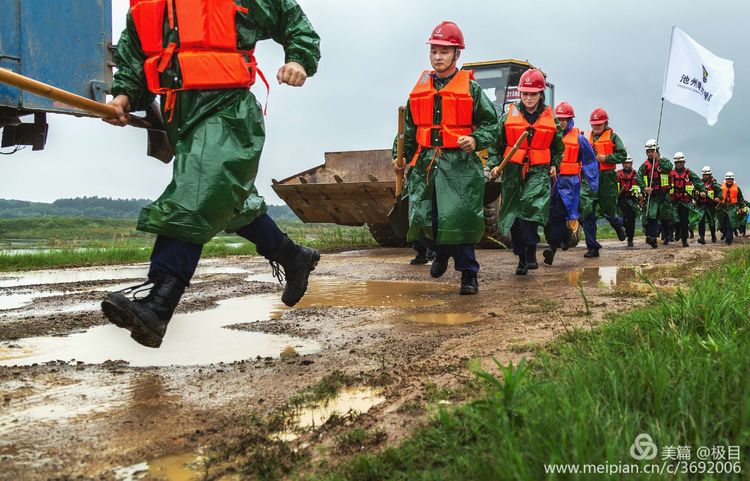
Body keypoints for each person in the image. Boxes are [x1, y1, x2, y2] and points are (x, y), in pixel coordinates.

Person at [101, 0, 321, 348]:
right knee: (229, 202)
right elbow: (132, 60)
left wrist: (298, 59)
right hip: (181, 116)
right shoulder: (145, 6)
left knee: (197, 194)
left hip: (228, 111)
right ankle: (294, 257)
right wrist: (123, 97)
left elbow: (292, 21)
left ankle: (159, 302)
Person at [393, 21, 499, 294]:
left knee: (460, 220)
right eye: (434, 51)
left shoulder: (472, 90)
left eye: (444, 51)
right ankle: (440, 252)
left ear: (456, 55)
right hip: (427, 164)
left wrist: (475, 140)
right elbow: (408, 128)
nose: (438, 56)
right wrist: (399, 156)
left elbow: (492, 124)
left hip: (459, 165)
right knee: (421, 219)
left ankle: (468, 275)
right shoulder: (419, 89)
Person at [490, 69, 564, 275]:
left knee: (529, 209)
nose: (529, 98)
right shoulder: (507, 117)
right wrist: (495, 164)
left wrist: (554, 164)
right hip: (513, 171)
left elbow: (558, 147)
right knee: (513, 215)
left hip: (538, 171)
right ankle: (521, 258)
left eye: (533, 94)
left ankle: (531, 250)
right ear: (520, 94)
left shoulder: (552, 120)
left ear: (541, 94)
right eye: (525, 93)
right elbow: (496, 145)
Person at [543, 102, 598, 265]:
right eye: (557, 119)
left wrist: (592, 184)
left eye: (563, 120)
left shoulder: (579, 139)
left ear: (570, 120)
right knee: (552, 216)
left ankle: (558, 246)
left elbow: (589, 162)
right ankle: (557, 244)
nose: (560, 123)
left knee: (567, 215)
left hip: (571, 184)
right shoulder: (550, 136)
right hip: (553, 182)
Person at [581, 108, 628, 258]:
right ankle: (592, 247)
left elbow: (622, 155)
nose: (596, 127)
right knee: (588, 211)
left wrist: (606, 158)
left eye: (599, 124)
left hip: (606, 178)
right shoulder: (586, 137)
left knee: (609, 212)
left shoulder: (613, 137)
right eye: (594, 125)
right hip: (589, 177)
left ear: (605, 123)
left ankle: (618, 226)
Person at [636, 139, 673, 249]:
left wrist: (658, 159)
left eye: (652, 151)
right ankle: (652, 238)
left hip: (664, 193)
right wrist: (645, 187)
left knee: (666, 216)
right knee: (652, 216)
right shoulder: (645, 165)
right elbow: (638, 177)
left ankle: (667, 236)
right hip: (653, 194)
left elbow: (669, 168)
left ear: (657, 150)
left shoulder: (664, 161)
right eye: (648, 151)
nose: (650, 153)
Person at [668, 152, 706, 247]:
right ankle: (676, 233)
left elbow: (698, 182)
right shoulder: (670, 174)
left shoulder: (689, 173)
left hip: (685, 201)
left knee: (684, 221)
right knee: (674, 220)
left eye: (680, 162)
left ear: (684, 162)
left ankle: (684, 239)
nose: (679, 164)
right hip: (673, 201)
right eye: (677, 162)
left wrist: (702, 191)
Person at [616, 155, 641, 247]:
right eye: (625, 163)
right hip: (620, 200)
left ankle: (630, 239)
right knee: (620, 219)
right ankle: (623, 230)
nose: (627, 165)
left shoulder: (636, 175)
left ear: (632, 163)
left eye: (628, 163)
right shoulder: (617, 174)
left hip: (632, 200)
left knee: (631, 220)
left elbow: (641, 186)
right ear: (622, 164)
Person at [717, 172, 746, 245]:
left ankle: (728, 240)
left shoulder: (737, 188)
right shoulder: (720, 187)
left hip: (732, 207)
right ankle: (725, 234)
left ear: (733, 179)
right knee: (722, 224)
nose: (730, 180)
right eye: (728, 179)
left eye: (731, 179)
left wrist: (742, 207)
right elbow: (716, 196)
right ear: (726, 179)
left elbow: (741, 199)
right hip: (722, 207)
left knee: (730, 224)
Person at [697, 166, 723, 244]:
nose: (705, 176)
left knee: (711, 221)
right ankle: (702, 237)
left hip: (710, 205)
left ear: (710, 175)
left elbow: (720, 192)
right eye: (704, 174)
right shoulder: (699, 183)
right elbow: (695, 190)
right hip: (701, 205)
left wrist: (718, 198)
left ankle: (713, 235)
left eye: (707, 174)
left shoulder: (714, 183)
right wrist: (697, 194)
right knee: (701, 221)